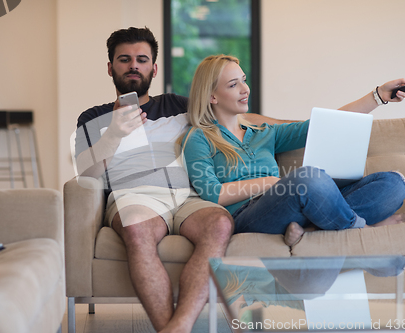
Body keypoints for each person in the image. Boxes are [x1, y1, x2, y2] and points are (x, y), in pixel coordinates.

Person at [73, 28, 276, 333]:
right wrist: (113, 132)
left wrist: (300, 123)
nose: (133, 66)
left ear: (154, 68)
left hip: (187, 195)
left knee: (220, 224)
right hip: (134, 195)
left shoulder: (179, 106)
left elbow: (241, 118)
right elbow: (85, 174)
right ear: (110, 67)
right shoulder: (93, 116)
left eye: (142, 59)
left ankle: (178, 327)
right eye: (124, 59)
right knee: (137, 230)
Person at [181, 54, 405, 247]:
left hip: (297, 210)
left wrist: (378, 96)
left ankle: (311, 230)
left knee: (393, 183)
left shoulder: (264, 132)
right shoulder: (199, 138)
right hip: (249, 215)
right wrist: (270, 182)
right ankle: (364, 230)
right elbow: (212, 193)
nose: (245, 89)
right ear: (212, 96)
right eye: (234, 85)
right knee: (309, 178)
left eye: (244, 80)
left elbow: (321, 125)